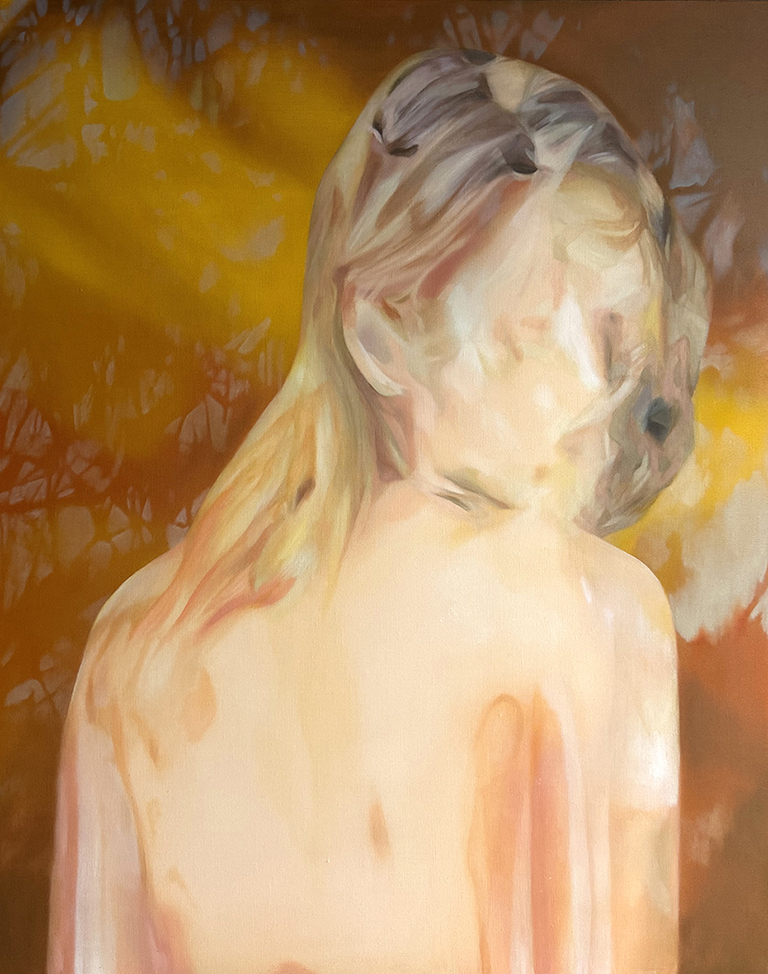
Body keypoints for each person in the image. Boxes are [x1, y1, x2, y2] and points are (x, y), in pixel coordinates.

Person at [48, 50, 709, 974]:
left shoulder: (132, 652)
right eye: (545, 334)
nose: (600, 393)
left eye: (617, 347)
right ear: (378, 332)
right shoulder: (594, 615)